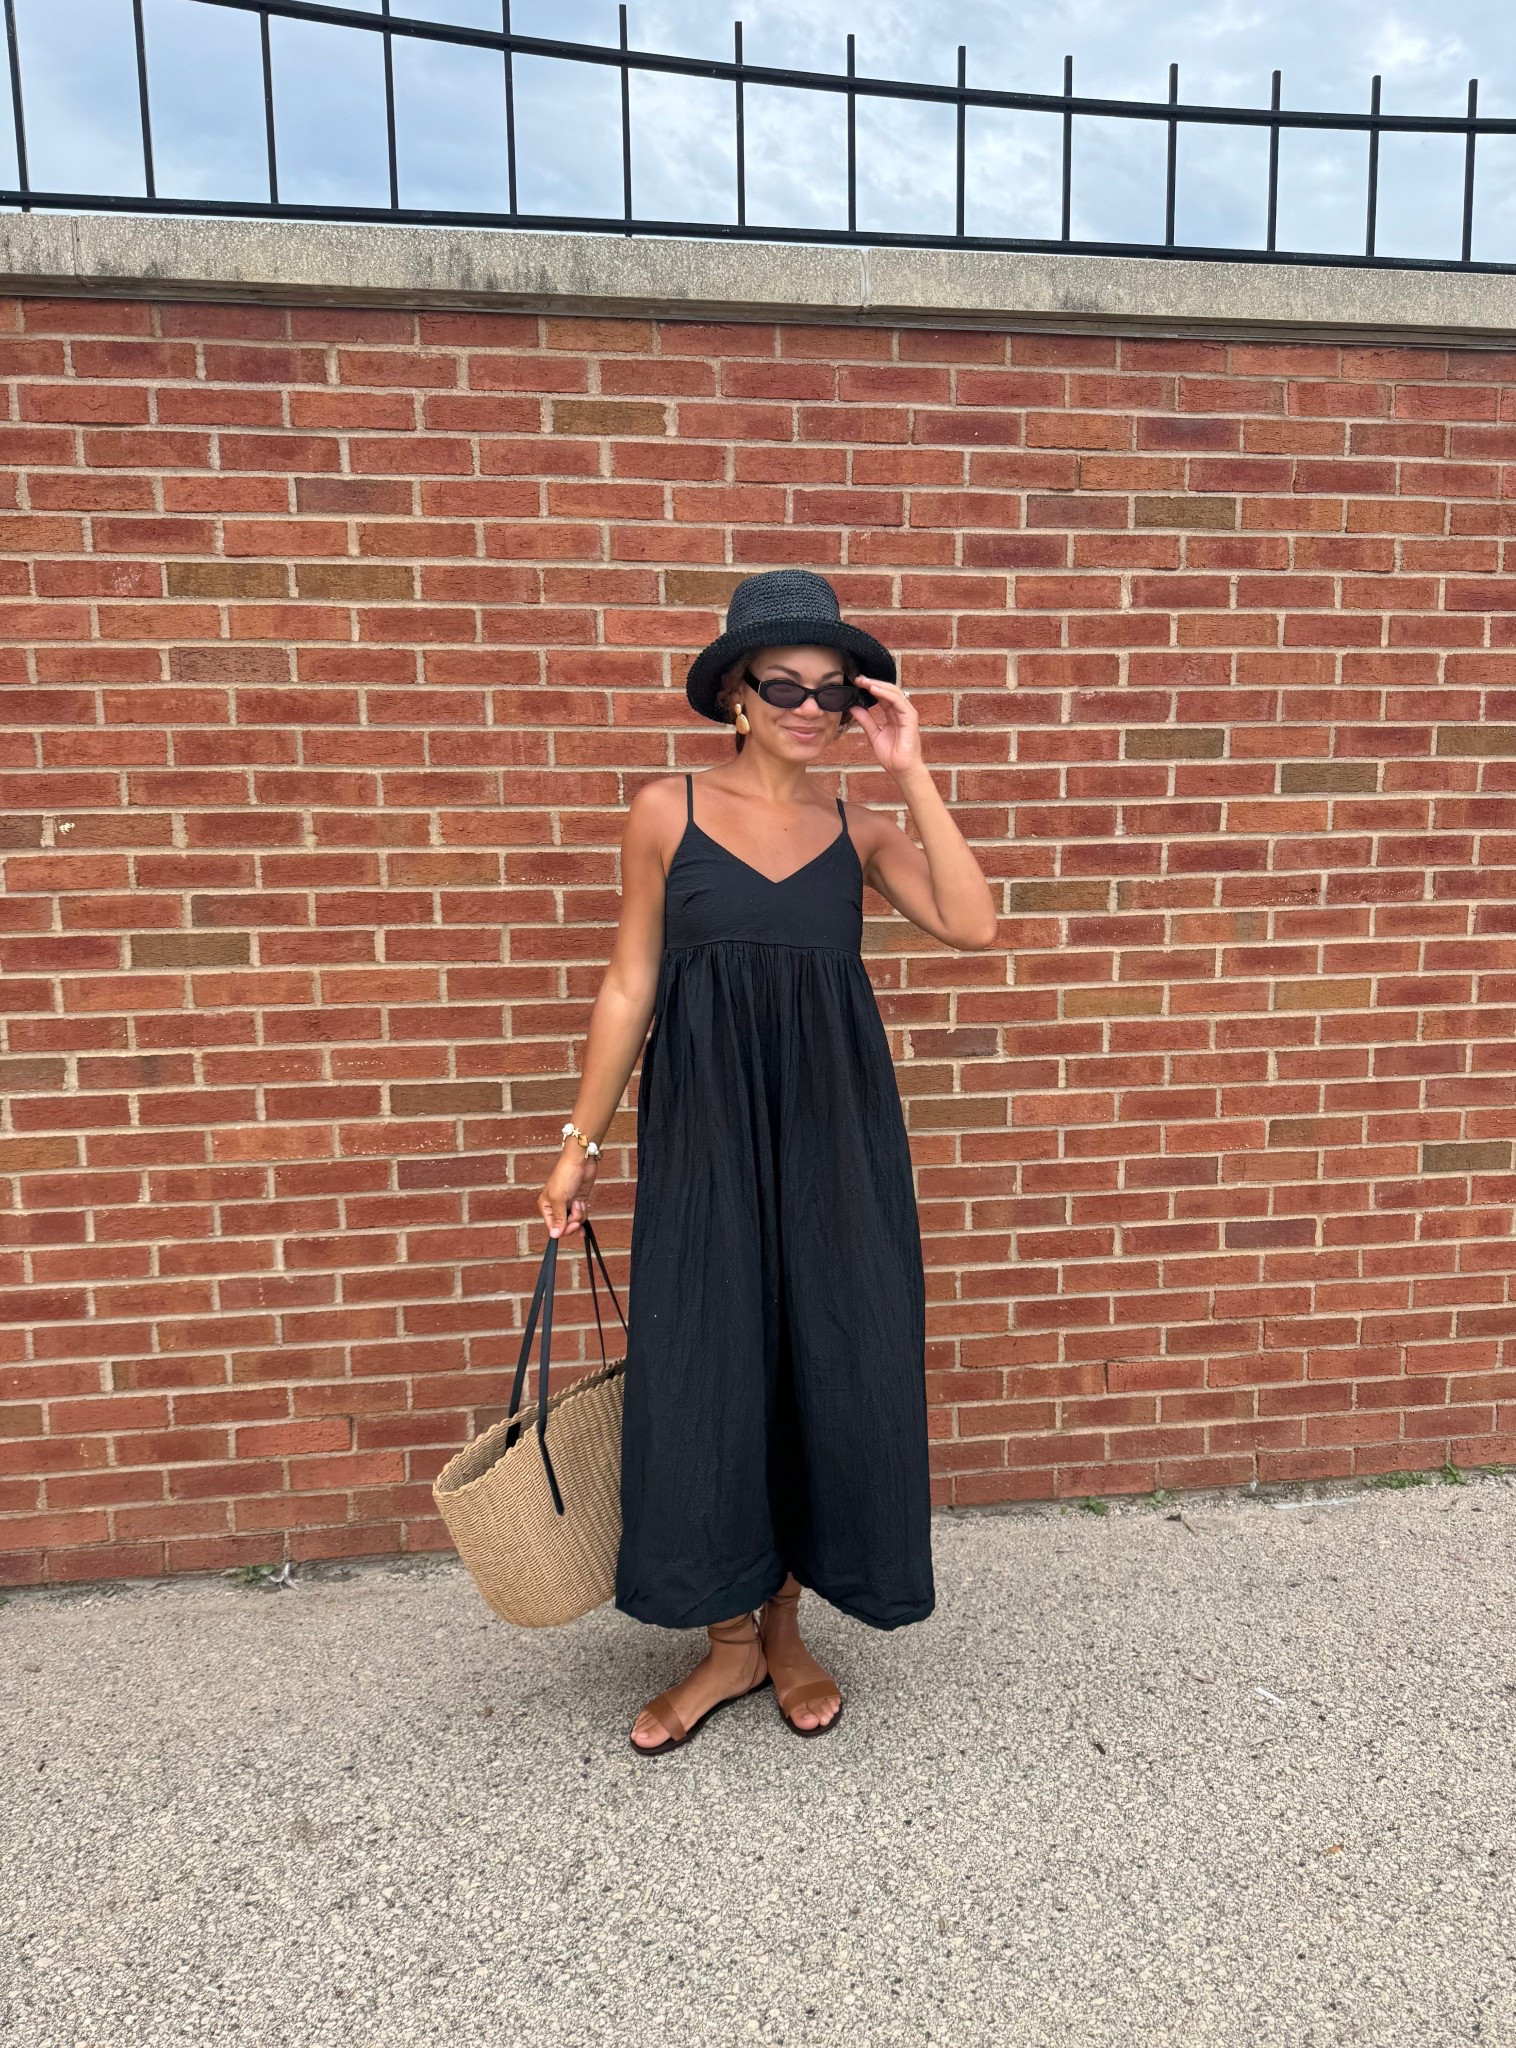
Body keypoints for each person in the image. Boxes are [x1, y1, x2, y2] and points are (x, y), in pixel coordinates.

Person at [537, 569, 998, 1755]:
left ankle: (787, 1628)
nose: (806, 703)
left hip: (837, 1138)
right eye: (779, 683)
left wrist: (909, 766)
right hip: (705, 1134)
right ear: (735, 696)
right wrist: (578, 1143)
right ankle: (729, 1642)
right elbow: (630, 979)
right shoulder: (664, 809)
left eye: (830, 687)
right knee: (711, 1358)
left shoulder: (861, 828)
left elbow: (973, 922)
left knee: (827, 1354)